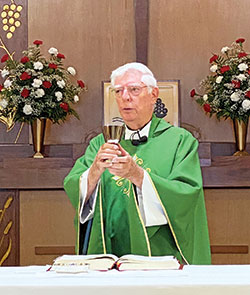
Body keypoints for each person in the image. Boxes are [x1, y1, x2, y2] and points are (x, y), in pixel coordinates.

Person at [64, 62, 211, 265]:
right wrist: (94, 172)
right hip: (109, 253)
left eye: (134, 89)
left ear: (154, 94)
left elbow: (187, 194)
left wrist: (138, 176)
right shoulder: (101, 143)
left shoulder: (179, 141)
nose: (125, 97)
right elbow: (74, 186)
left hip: (160, 255)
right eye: (118, 91)